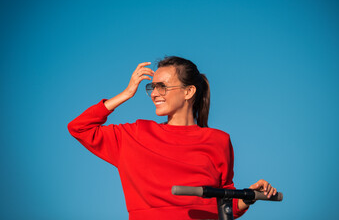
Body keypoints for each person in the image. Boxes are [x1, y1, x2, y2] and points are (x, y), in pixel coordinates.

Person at [68, 56, 277, 220]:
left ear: (189, 92)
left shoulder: (219, 140)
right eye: (152, 87)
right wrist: (126, 93)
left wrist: (248, 196)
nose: (154, 93)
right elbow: (79, 128)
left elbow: (225, 204)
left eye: (163, 86)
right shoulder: (133, 135)